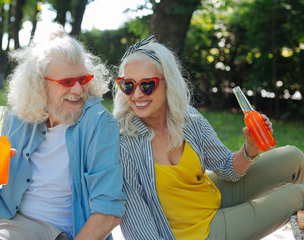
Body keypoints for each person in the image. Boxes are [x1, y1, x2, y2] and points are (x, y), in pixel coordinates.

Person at [0, 22, 125, 240]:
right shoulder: (21, 116)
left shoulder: (98, 124)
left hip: (46, 226)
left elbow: (109, 212)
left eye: (82, 80)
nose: (77, 90)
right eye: (67, 81)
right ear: (39, 84)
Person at [113, 35, 304, 240]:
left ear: (168, 83)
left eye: (147, 85)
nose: (137, 94)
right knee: (298, 196)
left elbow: (227, 169)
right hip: (196, 233)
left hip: (211, 197)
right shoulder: (123, 144)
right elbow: (138, 226)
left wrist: (250, 149)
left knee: (294, 157)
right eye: (128, 85)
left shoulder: (189, 119)